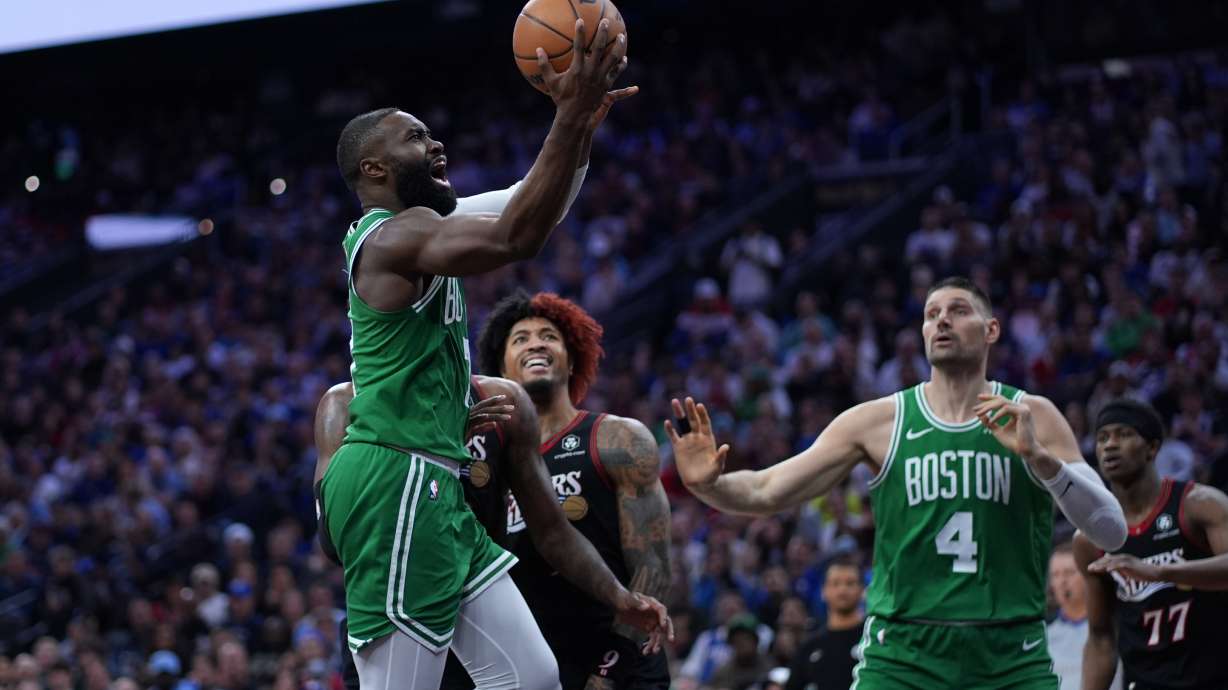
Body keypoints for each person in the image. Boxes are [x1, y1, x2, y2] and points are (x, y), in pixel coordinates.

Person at [321, 19, 649, 688]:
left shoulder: (422, 228)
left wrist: (580, 125)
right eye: (415, 137)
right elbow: (516, 236)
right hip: (395, 480)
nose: (435, 141)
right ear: (375, 169)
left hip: (434, 480)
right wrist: (570, 112)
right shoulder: (395, 237)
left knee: (530, 678)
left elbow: (535, 209)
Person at [667, 275, 1128, 689]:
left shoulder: (1034, 415)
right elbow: (768, 490)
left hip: (1010, 653)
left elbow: (1111, 530)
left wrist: (1041, 459)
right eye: (932, 315)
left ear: (992, 331)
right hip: (903, 654)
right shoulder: (878, 421)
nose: (942, 321)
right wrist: (709, 485)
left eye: (958, 310)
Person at [316, 375, 669, 690]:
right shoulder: (344, 405)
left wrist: (618, 595)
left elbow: (551, 530)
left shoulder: (501, 403)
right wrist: (423, 453)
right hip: (392, 592)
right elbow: (332, 544)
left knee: (537, 678)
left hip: (475, 597)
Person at [475, 290, 673, 689]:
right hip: (530, 662)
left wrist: (611, 668)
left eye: (548, 336)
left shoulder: (616, 438)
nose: (535, 343)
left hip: (616, 659)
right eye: (520, 339)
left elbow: (652, 568)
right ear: (502, 371)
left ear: (571, 360)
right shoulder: (487, 460)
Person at [1074, 399, 1228, 690]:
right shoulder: (1090, 537)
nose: (1110, 445)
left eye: (1124, 434)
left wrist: (1161, 572)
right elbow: (1101, 638)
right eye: (1103, 437)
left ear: (1153, 448)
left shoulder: (1199, 505)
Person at [1044, 543, 1120, 690]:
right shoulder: (1044, 634)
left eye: (1069, 573)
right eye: (1056, 575)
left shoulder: (1109, 629)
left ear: (1087, 577)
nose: (1062, 582)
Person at [785, 557, 865, 690]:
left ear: (862, 590)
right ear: (823, 591)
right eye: (835, 583)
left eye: (850, 583)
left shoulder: (872, 639)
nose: (842, 590)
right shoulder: (809, 647)